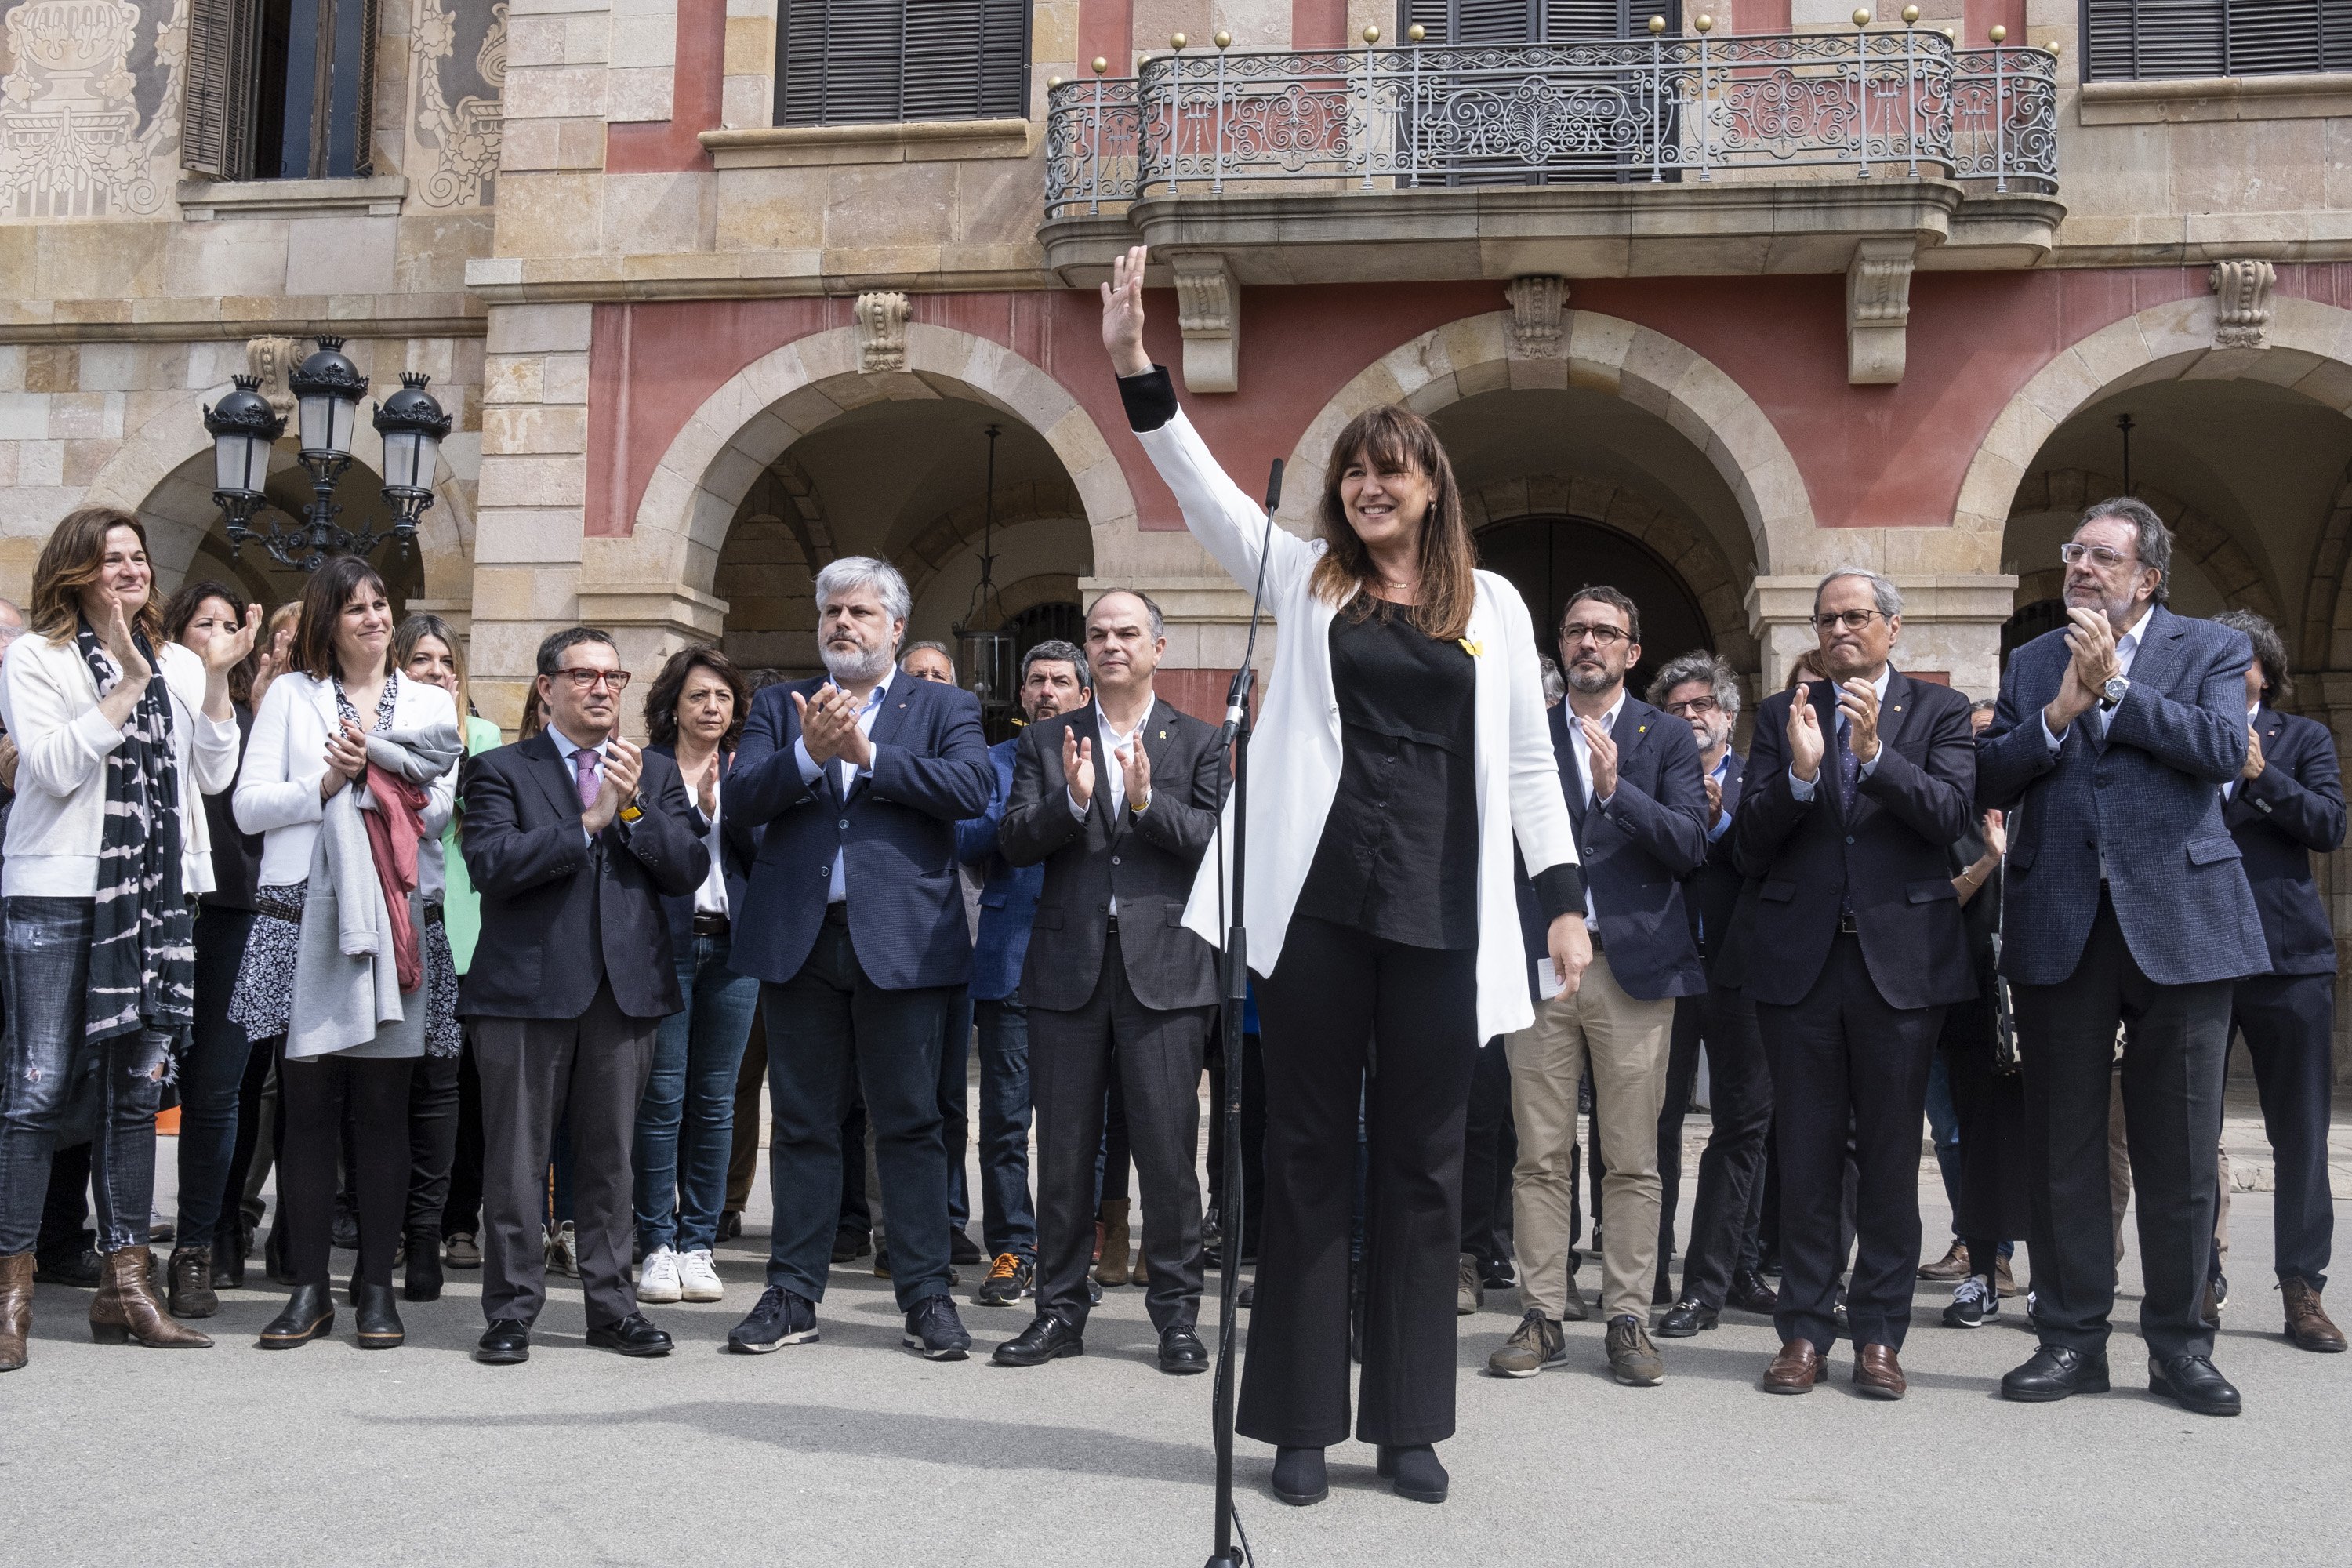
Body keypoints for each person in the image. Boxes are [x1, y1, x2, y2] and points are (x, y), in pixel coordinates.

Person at [1100, 244, 1587, 1508]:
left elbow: (1533, 766)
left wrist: (1566, 899)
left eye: (1395, 471)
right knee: (1306, 1158)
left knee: (1425, 1170)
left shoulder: (1492, 605)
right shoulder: (1304, 584)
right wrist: (1137, 372)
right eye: (1357, 473)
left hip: (1443, 913)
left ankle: (1410, 1424)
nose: (1373, 487)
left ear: (1432, 489)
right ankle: (1301, 1423)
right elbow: (1203, 493)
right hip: (1318, 910)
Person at [1977, 497, 2269, 1416]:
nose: (2082, 568)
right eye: (2075, 552)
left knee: (2179, 1150)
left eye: (2103, 556)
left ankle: (2182, 1347)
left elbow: (2224, 749)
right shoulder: (2031, 659)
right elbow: (1990, 775)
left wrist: (2114, 692)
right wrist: (2057, 713)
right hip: (2061, 916)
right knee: (2062, 1144)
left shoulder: (2210, 649)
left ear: (2149, 577)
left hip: (2181, 919)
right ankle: (2070, 1339)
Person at [721, 557, 993, 1360]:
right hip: (802, 938)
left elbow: (972, 788)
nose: (843, 622)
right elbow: (739, 803)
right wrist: (807, 755)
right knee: (802, 1123)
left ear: (896, 629)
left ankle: (926, 1294)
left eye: (861, 612)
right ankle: (792, 1291)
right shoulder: (779, 704)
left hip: (904, 943)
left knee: (909, 1124)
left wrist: (868, 753)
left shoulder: (944, 704)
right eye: (832, 610)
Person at [0, 507, 250, 1368]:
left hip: (155, 898)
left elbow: (213, 772)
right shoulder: (37, 656)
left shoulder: (179, 660)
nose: (131, 569)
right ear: (76, 570)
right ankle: (12, 1292)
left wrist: (213, 679)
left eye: (139, 555)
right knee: (35, 1090)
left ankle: (126, 1288)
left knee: (136, 1096)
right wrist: (126, 684)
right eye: (112, 558)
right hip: (57, 891)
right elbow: (55, 765)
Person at [1731, 567, 1975, 1400]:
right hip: (1801, 967)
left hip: (1901, 966)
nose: (1840, 629)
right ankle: (1803, 1329)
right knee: (1804, 1158)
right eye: (1827, 618)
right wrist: (1800, 779)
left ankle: (1879, 1333)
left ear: (1892, 627)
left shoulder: (1939, 712)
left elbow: (1951, 820)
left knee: (1888, 1157)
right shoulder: (1781, 714)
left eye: (1856, 616)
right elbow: (1747, 848)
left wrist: (1874, 758)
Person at [991, 591, 1229, 1373]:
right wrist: (1076, 800)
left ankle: (1176, 1318)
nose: (1112, 644)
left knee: (1167, 1156)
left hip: (1166, 973)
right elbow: (1015, 841)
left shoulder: (1198, 742)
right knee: (1062, 1154)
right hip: (1069, 971)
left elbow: (1212, 843)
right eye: (1099, 634)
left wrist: (1142, 800)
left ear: (1159, 646)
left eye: (1128, 632)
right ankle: (1059, 1310)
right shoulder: (1047, 739)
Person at [459, 626, 710, 1364]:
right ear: (547, 689)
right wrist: (589, 820)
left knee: (610, 1162)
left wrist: (629, 810)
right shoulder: (500, 768)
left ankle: (612, 1307)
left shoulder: (652, 771)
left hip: (623, 993)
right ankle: (510, 1312)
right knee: (515, 1162)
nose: (602, 689)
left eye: (614, 677)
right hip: (523, 993)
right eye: (584, 676)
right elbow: (492, 864)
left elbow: (688, 867)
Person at [231, 560, 463, 1350]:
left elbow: (440, 813)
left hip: (399, 911)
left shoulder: (429, 700)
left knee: (383, 1109)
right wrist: (326, 780)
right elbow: (250, 804)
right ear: (328, 620)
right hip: (305, 913)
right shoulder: (294, 697)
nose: (372, 617)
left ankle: (374, 1287)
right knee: (305, 1110)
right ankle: (306, 1287)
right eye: (356, 607)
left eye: (380, 604)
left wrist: (381, 761)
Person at [1491, 587, 1706, 1387]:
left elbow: (1690, 843)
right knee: (1540, 1152)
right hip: (1541, 969)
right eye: (1577, 630)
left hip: (1633, 969)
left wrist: (1620, 792)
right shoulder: (1527, 736)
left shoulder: (1669, 735)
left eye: (1606, 632)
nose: (1589, 643)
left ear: (1632, 650)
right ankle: (1542, 1312)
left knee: (1631, 1155)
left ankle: (1627, 1316)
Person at [2212, 608, 2344, 1352]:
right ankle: (2198, 1278)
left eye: (2238, 665)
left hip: (2290, 961)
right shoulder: (2185, 740)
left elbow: (2329, 826)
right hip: (2200, 957)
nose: (2227, 678)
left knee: (2300, 1135)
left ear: (2264, 670)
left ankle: (2303, 1289)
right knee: (2191, 1134)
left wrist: (2263, 777)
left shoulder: (2305, 739)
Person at [954, 640, 1087, 1305]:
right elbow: (967, 839)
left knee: (1079, 1121)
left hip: (1087, 961)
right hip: (1010, 957)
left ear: (1083, 695)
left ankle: (1074, 1253)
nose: (1046, 691)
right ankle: (1013, 1246)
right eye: (1036, 680)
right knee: (1006, 1120)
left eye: (1061, 681)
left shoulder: (1108, 760)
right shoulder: (993, 764)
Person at [1651, 651, 1780, 1338]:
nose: (1692, 717)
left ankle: (1726, 1274)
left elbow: (1770, 850)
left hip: (1743, 971)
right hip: (1665, 972)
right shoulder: (1650, 773)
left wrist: (1720, 820)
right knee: (1656, 1126)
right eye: (1677, 709)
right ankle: (1654, 1272)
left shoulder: (1761, 774)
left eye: (1703, 706)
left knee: (1743, 1126)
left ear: (1730, 717)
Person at [633, 644, 761, 1308]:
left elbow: (770, 851)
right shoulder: (647, 770)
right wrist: (698, 810)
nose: (712, 707)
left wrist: (729, 809)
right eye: (698, 697)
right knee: (662, 1100)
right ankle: (655, 1243)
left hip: (735, 951)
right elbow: (645, 848)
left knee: (716, 1103)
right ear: (673, 707)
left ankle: (698, 1243)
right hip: (666, 949)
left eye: (722, 697)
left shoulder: (750, 768)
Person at [158, 581, 268, 1319]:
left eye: (233, 625)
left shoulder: (252, 719)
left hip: (232, 912)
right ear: (175, 635)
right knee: (134, 1086)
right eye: (207, 624)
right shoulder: (154, 698)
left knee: (217, 1090)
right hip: (158, 907)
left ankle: (198, 1247)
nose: (221, 634)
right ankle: (125, 1248)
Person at [392, 613, 500, 1299]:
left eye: (443, 660)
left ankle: (456, 1222)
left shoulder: (482, 737)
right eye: (420, 660)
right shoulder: (379, 727)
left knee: (461, 1090)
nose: (434, 670)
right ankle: (396, 1219)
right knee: (396, 1087)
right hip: (402, 921)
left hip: (468, 928)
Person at [897, 641, 983, 1269]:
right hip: (893, 939)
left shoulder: (970, 747)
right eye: (917, 674)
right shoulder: (885, 743)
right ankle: (884, 1226)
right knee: (891, 1101)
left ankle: (949, 1220)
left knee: (949, 1099)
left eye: (937, 675)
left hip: (961, 941)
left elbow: (981, 822)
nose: (927, 682)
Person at [1936, 752, 2027, 1330]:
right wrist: (1990, 861)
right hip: (1971, 1001)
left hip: (2051, 996)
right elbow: (1934, 904)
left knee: (2053, 1142)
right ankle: (1982, 1275)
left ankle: (2055, 1282)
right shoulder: (1953, 818)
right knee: (1977, 1142)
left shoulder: (2041, 807)